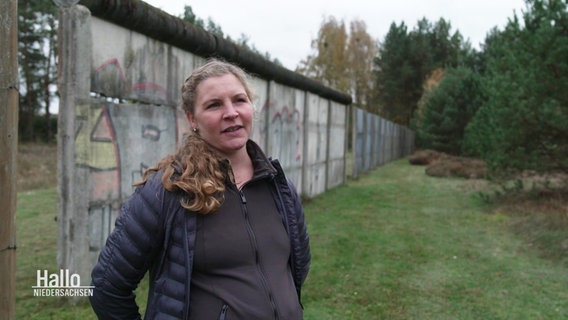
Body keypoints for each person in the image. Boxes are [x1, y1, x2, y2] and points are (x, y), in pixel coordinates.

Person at [89, 59, 311, 320]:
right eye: (214, 105)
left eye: (239, 100)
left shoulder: (278, 185)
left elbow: (297, 265)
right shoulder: (167, 191)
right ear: (192, 118)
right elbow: (106, 288)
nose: (231, 112)